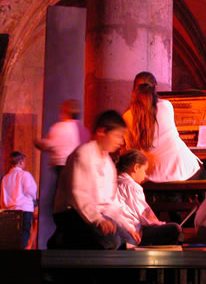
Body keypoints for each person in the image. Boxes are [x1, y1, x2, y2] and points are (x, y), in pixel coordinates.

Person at [48, 110, 139, 249]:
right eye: (117, 136)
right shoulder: (83, 154)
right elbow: (79, 196)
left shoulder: (109, 164)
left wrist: (127, 226)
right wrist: (98, 220)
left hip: (99, 214)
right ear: (102, 131)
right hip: (72, 213)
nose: (121, 142)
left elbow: (109, 203)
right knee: (111, 241)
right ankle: (62, 239)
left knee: (130, 240)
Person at [123, 72, 204, 182]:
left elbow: (132, 150)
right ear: (155, 88)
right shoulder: (166, 106)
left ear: (134, 89)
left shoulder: (127, 116)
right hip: (181, 169)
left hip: (152, 175)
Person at [116, 149, 182, 246]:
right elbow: (144, 216)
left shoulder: (114, 181)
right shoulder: (132, 186)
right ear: (136, 167)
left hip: (119, 230)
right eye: (144, 170)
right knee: (175, 229)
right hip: (132, 232)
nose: (145, 175)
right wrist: (160, 224)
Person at [34, 99, 90, 178]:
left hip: (61, 167)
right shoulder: (84, 130)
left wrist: (37, 142)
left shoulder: (59, 127)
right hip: (79, 168)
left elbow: (48, 144)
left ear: (66, 112)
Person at [0, 151, 38, 249]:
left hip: (9, 211)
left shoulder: (5, 177)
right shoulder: (24, 175)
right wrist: (34, 200)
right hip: (24, 209)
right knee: (23, 237)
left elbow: (3, 195)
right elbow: (31, 190)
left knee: (11, 239)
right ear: (21, 162)